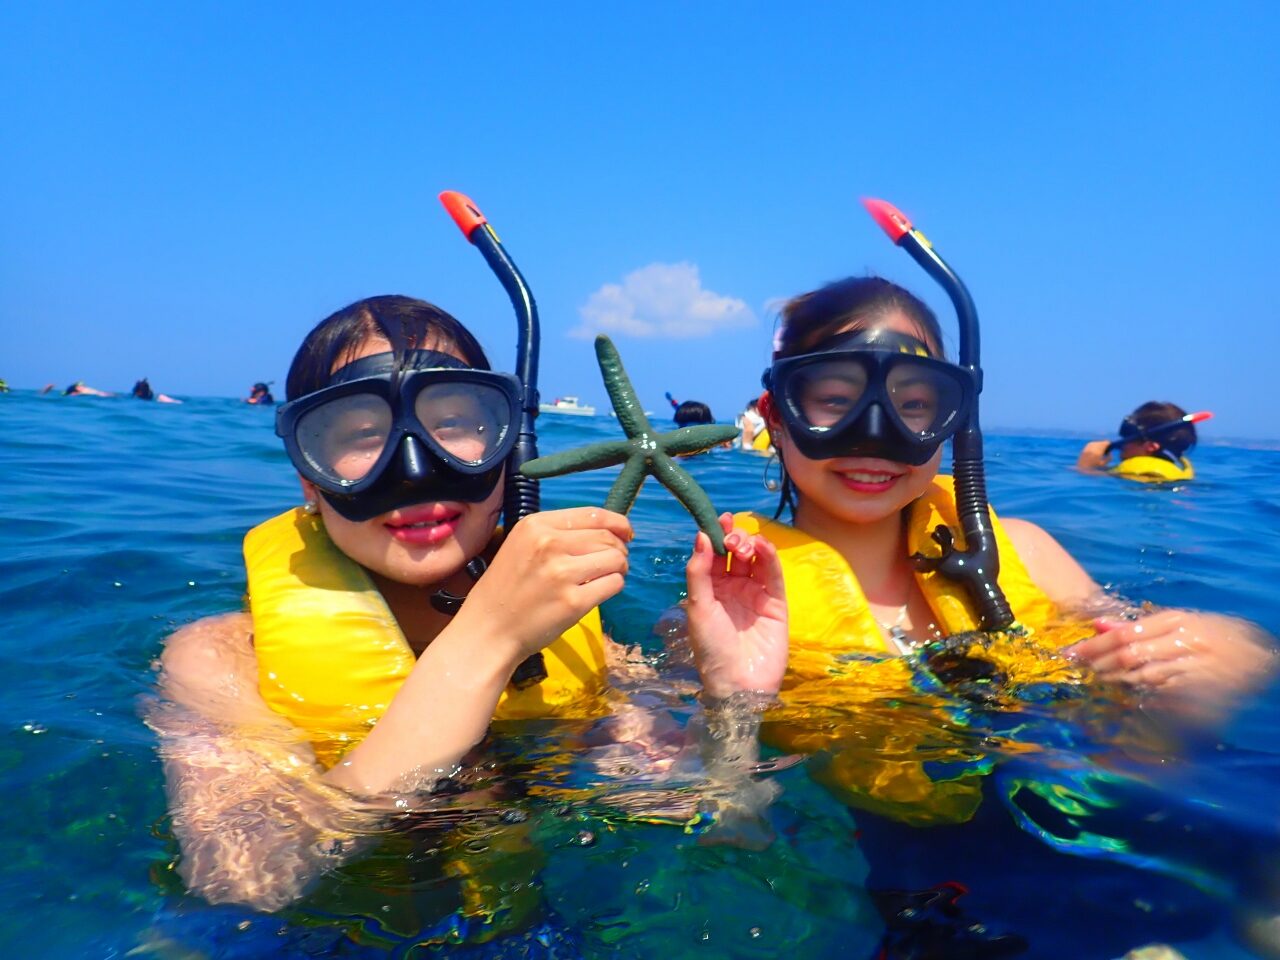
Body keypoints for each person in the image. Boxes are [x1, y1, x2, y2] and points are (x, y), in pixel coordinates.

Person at [684, 276, 1275, 794]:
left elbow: (1132, 639)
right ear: (777, 413)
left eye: (914, 405)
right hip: (901, 870)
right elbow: (688, 798)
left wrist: (1236, 649)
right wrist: (733, 708)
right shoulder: (726, 607)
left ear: (953, 416)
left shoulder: (1028, 551)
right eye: (835, 401)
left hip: (1098, 812)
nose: (875, 436)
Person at [152, 295, 639, 913]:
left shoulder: (574, 631)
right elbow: (242, 880)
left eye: (457, 422)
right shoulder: (219, 661)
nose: (413, 469)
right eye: (360, 434)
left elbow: (697, 809)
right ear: (309, 475)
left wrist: (735, 697)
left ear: (508, 447)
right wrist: (484, 643)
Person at [1077, 401, 1198, 482]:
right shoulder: (1177, 472)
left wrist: (1086, 467)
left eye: (1128, 433)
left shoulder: (1138, 472)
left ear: (1150, 447)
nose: (1122, 441)